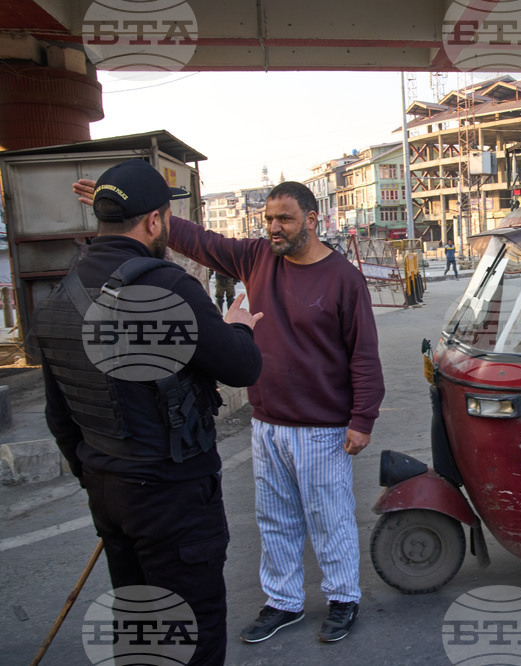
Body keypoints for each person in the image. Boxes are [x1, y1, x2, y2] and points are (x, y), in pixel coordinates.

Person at [76, 177, 386, 644]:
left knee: (330, 518)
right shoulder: (257, 257)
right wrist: (137, 212)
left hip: (324, 427)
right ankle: (283, 602)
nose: (274, 229)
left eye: (285, 219)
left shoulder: (344, 278)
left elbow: (363, 354)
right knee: (275, 519)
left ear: (313, 220)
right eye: (268, 220)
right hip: (267, 424)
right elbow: (201, 241)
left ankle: (343, 599)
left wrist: (363, 419)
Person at [38, 158, 263, 665]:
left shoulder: (62, 294)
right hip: (173, 496)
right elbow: (242, 367)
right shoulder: (167, 286)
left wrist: (98, 475)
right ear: (155, 221)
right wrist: (240, 324)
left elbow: (59, 416)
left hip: (110, 490)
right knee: (194, 635)